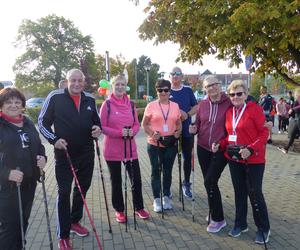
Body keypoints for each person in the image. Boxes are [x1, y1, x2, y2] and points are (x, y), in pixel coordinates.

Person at [38, 69, 101, 250]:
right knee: (64, 192)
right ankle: (63, 234)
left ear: (84, 81)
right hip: (64, 153)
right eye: (73, 80)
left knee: (82, 189)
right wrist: (54, 140)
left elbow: (96, 121)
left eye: (79, 80)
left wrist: (98, 129)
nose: (76, 84)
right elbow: (42, 122)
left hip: (87, 152)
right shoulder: (55, 96)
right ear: (67, 81)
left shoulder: (89, 98)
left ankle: (74, 221)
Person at [212, 80, 270, 245]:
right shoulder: (230, 113)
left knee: (255, 193)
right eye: (232, 94)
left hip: (254, 159)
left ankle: (263, 228)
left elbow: (264, 133)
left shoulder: (254, 109)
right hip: (234, 159)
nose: (236, 97)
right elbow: (230, 136)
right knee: (239, 192)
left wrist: (251, 149)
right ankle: (240, 224)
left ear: (245, 94)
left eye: (239, 93)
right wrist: (220, 144)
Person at [0, 88, 46, 249]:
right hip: (7, 188)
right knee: (10, 228)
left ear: (22, 105)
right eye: (8, 102)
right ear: (1, 105)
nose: (13, 105)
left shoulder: (27, 122)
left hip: (29, 184)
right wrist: (7, 173)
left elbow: (39, 146)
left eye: (17, 102)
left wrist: (43, 158)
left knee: (23, 223)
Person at [99, 74, 149, 223]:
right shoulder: (106, 105)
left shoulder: (131, 104)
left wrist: (132, 132)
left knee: (136, 180)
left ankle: (139, 207)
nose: (120, 87)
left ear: (125, 86)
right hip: (112, 150)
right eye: (117, 85)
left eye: (122, 84)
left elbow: (135, 124)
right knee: (116, 181)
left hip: (130, 149)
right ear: (112, 87)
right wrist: (120, 133)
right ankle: (119, 210)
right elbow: (102, 127)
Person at [189, 75, 231, 233]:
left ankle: (219, 219)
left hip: (221, 149)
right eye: (209, 86)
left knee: (210, 181)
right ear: (204, 89)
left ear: (220, 85)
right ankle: (213, 211)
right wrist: (193, 129)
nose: (212, 88)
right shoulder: (202, 104)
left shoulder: (229, 102)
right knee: (210, 183)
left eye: (215, 84)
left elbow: (233, 127)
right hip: (203, 148)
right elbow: (198, 125)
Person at [142, 79, 182, 212]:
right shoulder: (151, 105)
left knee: (168, 171)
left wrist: (178, 132)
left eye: (166, 90)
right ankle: (156, 200)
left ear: (170, 91)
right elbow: (145, 124)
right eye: (160, 90)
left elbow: (178, 123)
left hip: (170, 144)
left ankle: (165, 197)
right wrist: (152, 133)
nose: (163, 92)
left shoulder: (175, 106)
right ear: (157, 91)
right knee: (155, 170)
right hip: (155, 144)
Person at [169, 66, 198, 198]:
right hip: (171, 131)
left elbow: (196, 106)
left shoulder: (187, 90)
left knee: (187, 159)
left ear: (182, 76)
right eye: (173, 74)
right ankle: (167, 187)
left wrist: (187, 114)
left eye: (178, 74)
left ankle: (186, 183)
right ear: (170, 76)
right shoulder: (166, 90)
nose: (175, 76)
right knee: (168, 159)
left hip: (186, 130)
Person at [278, 88, 300, 154]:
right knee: (292, 135)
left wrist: (292, 109)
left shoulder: (299, 97)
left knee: (293, 135)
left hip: (299, 118)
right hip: (296, 118)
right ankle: (286, 148)